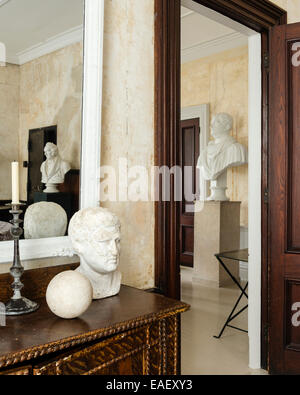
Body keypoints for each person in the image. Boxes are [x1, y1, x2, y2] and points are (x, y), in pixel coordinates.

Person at [68, 207, 122, 300]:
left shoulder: (117, 279)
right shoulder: (73, 285)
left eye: (117, 241)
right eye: (104, 241)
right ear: (78, 245)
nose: (115, 251)